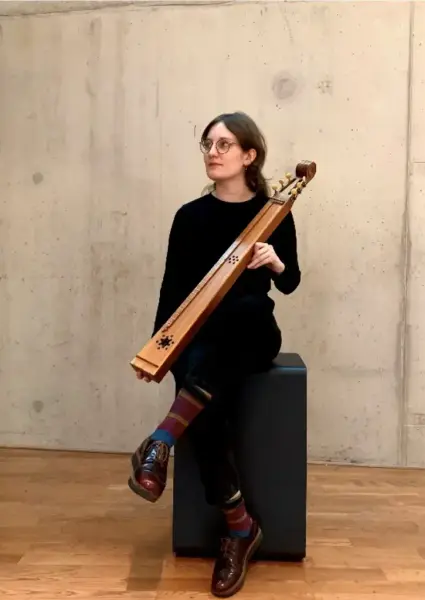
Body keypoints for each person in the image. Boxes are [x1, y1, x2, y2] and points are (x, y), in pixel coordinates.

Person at [128, 111, 301, 597]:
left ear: (249, 155)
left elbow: (290, 282)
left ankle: (159, 442)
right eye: (208, 144)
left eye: (224, 144)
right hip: (201, 341)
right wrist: (157, 351)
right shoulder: (190, 216)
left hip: (252, 334)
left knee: (243, 311)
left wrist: (275, 261)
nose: (213, 152)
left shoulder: (274, 213)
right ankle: (240, 527)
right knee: (206, 406)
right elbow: (172, 291)